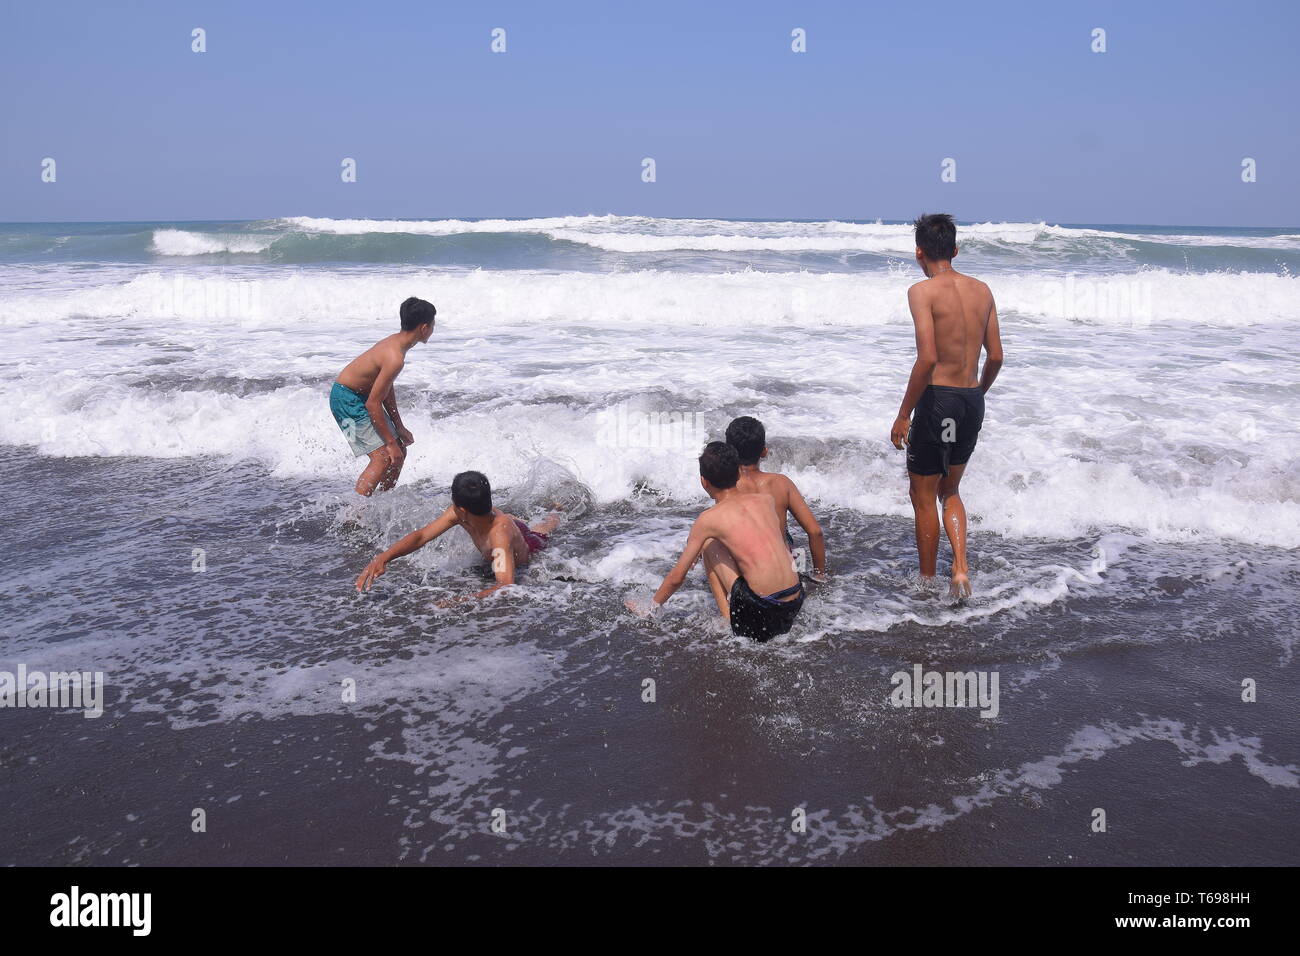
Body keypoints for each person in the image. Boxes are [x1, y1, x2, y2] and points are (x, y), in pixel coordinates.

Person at [889, 214, 1004, 597]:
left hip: (938, 401)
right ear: (954, 250)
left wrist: (904, 414)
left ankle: (926, 584)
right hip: (970, 401)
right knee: (950, 491)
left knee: (922, 496)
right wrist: (977, 394)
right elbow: (997, 357)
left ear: (919, 252)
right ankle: (960, 569)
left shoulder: (922, 293)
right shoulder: (983, 291)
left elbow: (926, 358)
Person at [628, 442, 804, 641]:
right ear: (739, 474)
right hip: (795, 601)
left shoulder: (708, 519)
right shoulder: (765, 500)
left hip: (762, 610)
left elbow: (677, 578)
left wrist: (652, 608)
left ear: (704, 482)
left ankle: (728, 620)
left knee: (708, 544)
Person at [355, 471, 561, 605]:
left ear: (461, 508)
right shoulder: (460, 514)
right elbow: (421, 536)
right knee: (516, 523)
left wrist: (460, 600)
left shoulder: (498, 536)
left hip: (528, 543)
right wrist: (384, 557)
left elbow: (506, 585)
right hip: (505, 524)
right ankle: (525, 519)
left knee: (542, 529)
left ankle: (557, 510)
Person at [329, 297, 436, 496]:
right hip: (345, 400)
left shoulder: (397, 343)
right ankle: (354, 517)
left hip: (358, 396)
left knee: (400, 451)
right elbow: (373, 403)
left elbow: (385, 388)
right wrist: (389, 442)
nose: (433, 328)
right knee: (383, 456)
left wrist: (399, 427)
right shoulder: (395, 356)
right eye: (433, 324)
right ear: (424, 328)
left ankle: (382, 501)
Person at [724, 415, 826, 579]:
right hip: (783, 572)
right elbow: (815, 532)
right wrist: (820, 576)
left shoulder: (726, 486)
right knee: (794, 549)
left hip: (747, 573)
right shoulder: (782, 483)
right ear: (764, 451)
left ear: (728, 451)